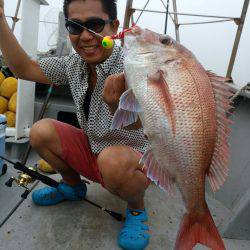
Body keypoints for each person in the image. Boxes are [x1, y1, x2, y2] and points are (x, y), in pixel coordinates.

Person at [0, 0, 151, 249]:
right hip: (94, 152)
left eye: (94, 25)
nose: (85, 36)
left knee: (112, 162)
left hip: (131, 165)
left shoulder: (132, 67)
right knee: (41, 131)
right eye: (75, 26)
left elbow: (145, 129)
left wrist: (117, 107)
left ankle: (137, 210)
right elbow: (24, 68)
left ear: (113, 27)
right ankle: (72, 187)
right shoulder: (74, 64)